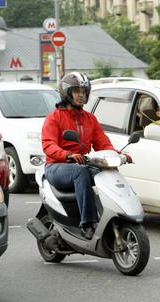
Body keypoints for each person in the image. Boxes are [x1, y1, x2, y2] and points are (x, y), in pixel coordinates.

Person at [41, 72, 132, 240]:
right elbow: (48, 145)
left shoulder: (90, 119)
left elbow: (102, 143)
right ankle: (87, 223)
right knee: (80, 172)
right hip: (57, 166)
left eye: (84, 91)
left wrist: (118, 155)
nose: (81, 95)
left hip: (82, 162)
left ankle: (114, 215)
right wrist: (67, 154)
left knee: (107, 173)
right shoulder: (54, 118)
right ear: (66, 93)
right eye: (76, 91)